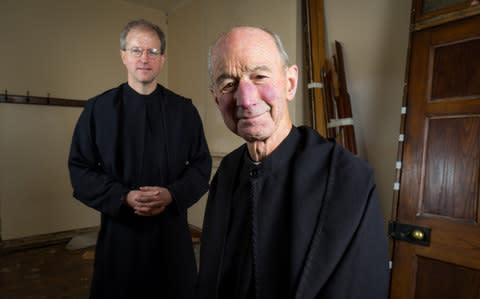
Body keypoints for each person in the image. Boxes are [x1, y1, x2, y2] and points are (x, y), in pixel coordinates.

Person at [197, 26, 389, 299]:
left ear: (290, 83)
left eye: (260, 76)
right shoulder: (225, 174)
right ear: (217, 99)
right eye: (229, 84)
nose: (246, 99)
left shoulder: (349, 180)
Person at [68, 19, 211, 299]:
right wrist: (123, 196)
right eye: (136, 50)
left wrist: (171, 194)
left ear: (163, 58)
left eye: (153, 51)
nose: (144, 58)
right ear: (123, 55)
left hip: (171, 239)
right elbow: (80, 169)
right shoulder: (98, 109)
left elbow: (201, 164)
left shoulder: (184, 110)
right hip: (120, 238)